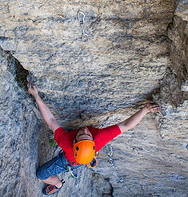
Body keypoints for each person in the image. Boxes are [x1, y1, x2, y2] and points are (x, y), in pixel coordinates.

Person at [27, 81, 159, 196]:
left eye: (84, 134)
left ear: (74, 142)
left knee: (40, 175)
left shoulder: (67, 143)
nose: (85, 129)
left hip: (67, 161)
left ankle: (57, 185)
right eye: (87, 134)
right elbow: (126, 125)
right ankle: (89, 159)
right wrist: (145, 110)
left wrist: (36, 96)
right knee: (82, 160)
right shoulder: (99, 138)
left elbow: (51, 120)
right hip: (79, 156)